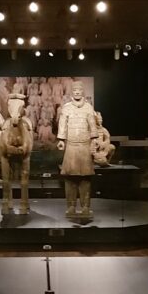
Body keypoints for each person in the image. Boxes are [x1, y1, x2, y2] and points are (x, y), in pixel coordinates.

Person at [56, 80, 98, 218]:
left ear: (83, 91)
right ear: (72, 92)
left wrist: (94, 140)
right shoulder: (67, 107)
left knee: (85, 178)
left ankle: (85, 207)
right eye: (75, 90)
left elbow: (92, 125)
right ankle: (71, 207)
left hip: (85, 146)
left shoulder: (88, 107)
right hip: (71, 147)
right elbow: (62, 123)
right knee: (70, 179)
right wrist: (61, 139)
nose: (77, 92)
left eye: (79, 90)